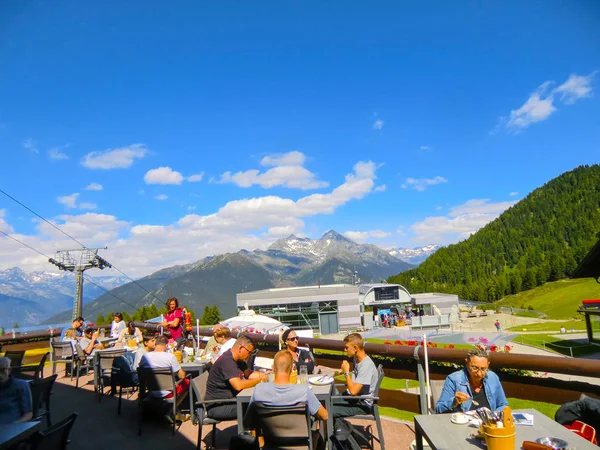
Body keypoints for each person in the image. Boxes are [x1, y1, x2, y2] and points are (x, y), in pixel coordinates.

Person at [245, 350, 327, 448]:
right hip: (300, 446)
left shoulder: (259, 390)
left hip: (270, 445)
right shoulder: (303, 391)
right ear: (292, 369)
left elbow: (247, 422)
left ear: (273, 368)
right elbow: (325, 416)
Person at [205, 335, 268, 420]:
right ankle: (247, 432)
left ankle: (251, 430)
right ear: (240, 348)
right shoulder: (227, 361)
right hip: (217, 406)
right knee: (258, 407)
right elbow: (238, 385)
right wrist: (259, 379)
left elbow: (248, 374)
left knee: (258, 404)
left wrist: (264, 375)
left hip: (230, 401)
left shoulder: (238, 360)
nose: (249, 356)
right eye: (249, 352)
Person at [435, 346, 509, 413]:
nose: (479, 373)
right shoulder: (454, 379)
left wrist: (493, 416)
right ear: (467, 363)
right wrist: (454, 401)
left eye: (483, 369)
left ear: (488, 365)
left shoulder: (493, 378)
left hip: (488, 424)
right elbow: (439, 409)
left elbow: (503, 405)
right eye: (475, 368)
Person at [332, 333, 378, 418]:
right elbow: (353, 385)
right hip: (355, 398)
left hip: (363, 404)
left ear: (356, 348)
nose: (345, 350)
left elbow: (353, 391)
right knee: (327, 403)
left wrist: (346, 373)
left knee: (329, 410)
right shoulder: (356, 359)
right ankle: (339, 429)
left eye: (347, 347)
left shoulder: (366, 366)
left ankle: (340, 429)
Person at [139, 335, 189, 399]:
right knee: (187, 381)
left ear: (155, 344)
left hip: (152, 391)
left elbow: (141, 373)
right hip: (169, 392)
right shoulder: (170, 357)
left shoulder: (145, 357)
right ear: (166, 345)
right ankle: (180, 405)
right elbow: (182, 376)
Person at [0, 356, 33, 424]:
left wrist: (15, 424)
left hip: (11, 428)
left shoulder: (20, 385)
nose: (0, 375)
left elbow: (28, 413)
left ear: (9, 370)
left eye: (2, 370)